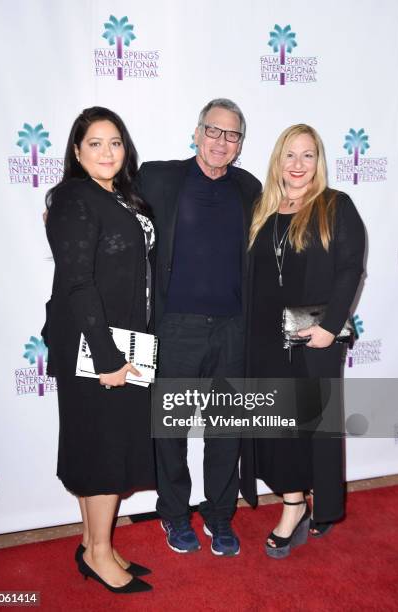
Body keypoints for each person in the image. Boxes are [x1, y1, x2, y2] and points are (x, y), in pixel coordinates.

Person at [137, 99, 262, 556]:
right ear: (196, 132)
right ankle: (173, 514)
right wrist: (61, 205)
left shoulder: (249, 188)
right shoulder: (158, 177)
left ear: (240, 145)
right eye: (214, 131)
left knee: (226, 429)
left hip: (233, 328)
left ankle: (219, 516)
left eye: (232, 135)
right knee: (170, 427)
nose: (221, 142)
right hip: (175, 327)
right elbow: (107, 199)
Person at [240, 124, 365, 558]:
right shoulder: (261, 209)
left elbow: (351, 268)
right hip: (264, 341)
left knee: (314, 429)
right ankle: (293, 505)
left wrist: (331, 326)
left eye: (307, 155)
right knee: (278, 430)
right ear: (277, 160)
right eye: (289, 155)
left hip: (313, 338)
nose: (297, 164)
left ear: (319, 161)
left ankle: (320, 504)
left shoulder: (335, 206)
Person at [44, 107, 155, 592]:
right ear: (75, 150)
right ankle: (99, 551)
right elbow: (77, 283)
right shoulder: (74, 198)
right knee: (104, 450)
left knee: (99, 446)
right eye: (95, 143)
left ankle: (94, 543)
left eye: (115, 142)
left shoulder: (120, 196)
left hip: (124, 340)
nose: (107, 152)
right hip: (97, 346)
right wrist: (107, 358)